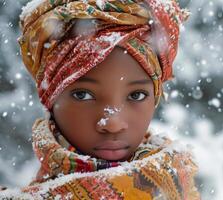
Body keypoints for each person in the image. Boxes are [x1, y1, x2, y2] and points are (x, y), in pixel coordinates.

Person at [0, 0, 200, 199]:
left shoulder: (176, 186)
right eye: (83, 95)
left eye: (136, 95)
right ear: (49, 97)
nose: (112, 124)